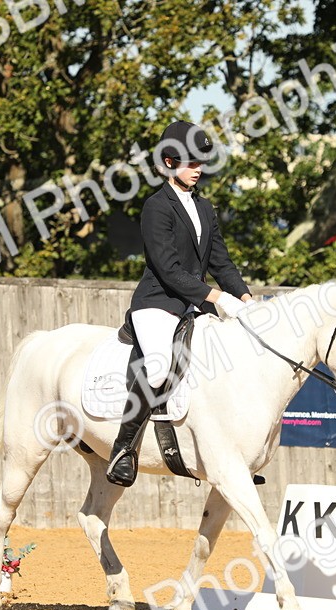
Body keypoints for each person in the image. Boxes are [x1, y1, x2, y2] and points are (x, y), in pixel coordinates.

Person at [105, 120, 254, 486]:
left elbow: (220, 262)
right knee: (156, 369)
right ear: (170, 163)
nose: (198, 169)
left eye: (201, 163)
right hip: (158, 303)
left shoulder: (204, 208)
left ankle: (233, 452)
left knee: (229, 357)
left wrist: (246, 298)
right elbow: (169, 270)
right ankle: (124, 450)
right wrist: (217, 297)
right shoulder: (156, 207)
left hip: (194, 304)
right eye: (190, 163)